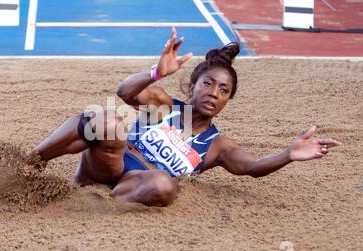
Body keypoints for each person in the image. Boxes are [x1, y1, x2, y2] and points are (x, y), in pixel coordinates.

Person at [28, 27, 341, 207]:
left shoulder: (217, 146)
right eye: (207, 84)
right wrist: (155, 73)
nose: (213, 93)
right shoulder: (164, 104)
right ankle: (29, 163)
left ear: (228, 99)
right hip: (111, 162)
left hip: (140, 185)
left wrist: (288, 154)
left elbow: (252, 167)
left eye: (223, 90)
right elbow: (125, 93)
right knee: (106, 120)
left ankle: (94, 204)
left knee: (165, 187)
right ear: (192, 86)